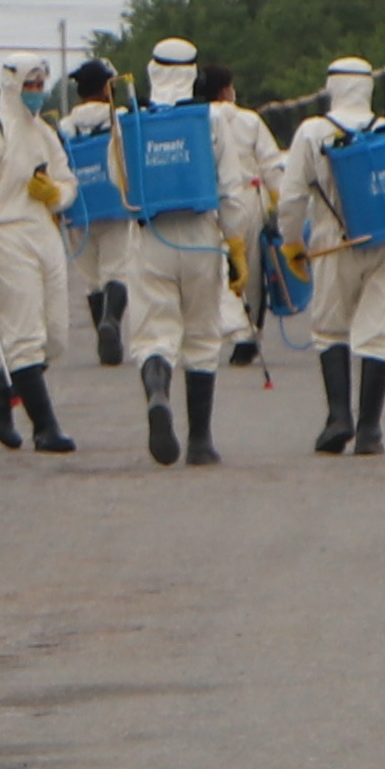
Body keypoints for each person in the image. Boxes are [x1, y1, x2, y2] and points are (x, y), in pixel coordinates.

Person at [280, 55, 385, 456]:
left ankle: (337, 417)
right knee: (378, 332)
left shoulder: (312, 132)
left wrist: (291, 243)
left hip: (334, 241)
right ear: (368, 87)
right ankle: (369, 431)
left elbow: (292, 196)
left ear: (331, 87)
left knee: (331, 328)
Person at [112, 35, 246, 467]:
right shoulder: (210, 119)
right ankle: (201, 441)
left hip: (151, 236)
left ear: (152, 71)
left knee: (155, 332)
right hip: (201, 235)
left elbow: (122, 185)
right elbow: (231, 190)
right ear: (193, 75)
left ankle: (156, 393)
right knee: (203, 334)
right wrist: (237, 245)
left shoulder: (129, 120)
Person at [0, 54, 84, 457]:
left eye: (41, 84)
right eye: (29, 85)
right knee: (25, 338)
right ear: (11, 85)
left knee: (55, 337)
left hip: (44, 232)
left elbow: (68, 180)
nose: (36, 92)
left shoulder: (44, 132)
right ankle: (45, 428)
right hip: (7, 238)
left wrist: (57, 195)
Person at [59, 57, 133, 371]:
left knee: (92, 280)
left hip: (79, 207)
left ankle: (102, 337)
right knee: (116, 270)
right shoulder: (120, 118)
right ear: (106, 87)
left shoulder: (63, 126)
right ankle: (112, 320)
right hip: (115, 203)